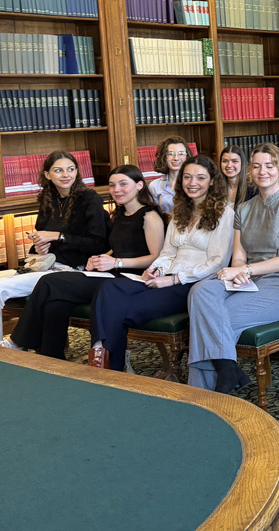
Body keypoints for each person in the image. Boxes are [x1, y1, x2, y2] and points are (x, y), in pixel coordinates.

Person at [88, 155, 234, 371]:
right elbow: (167, 252)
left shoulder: (224, 213)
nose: (192, 183)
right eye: (187, 177)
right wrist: (156, 269)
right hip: (165, 276)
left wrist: (175, 279)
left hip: (193, 284)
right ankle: (101, 351)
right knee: (109, 287)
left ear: (212, 181)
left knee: (122, 309)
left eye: (200, 178)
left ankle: (106, 364)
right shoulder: (180, 212)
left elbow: (217, 262)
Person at [3, 165, 162, 357]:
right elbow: (117, 247)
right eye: (112, 185)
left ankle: (18, 341)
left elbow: (155, 257)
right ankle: (51, 358)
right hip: (110, 273)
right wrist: (98, 259)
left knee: (49, 281)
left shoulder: (150, 216)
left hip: (132, 279)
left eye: (123, 184)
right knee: (56, 301)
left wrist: (116, 262)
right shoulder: (119, 215)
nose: (116, 190)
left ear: (139, 185)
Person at [186, 143, 279, 393]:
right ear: (249, 171)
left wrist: (246, 271)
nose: (263, 171)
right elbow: (239, 257)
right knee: (200, 291)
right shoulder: (243, 208)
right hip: (248, 278)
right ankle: (228, 371)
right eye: (256, 166)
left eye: (270, 165)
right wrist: (241, 272)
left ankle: (212, 387)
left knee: (213, 318)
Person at [0, 151, 108, 312]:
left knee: (2, 287)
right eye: (58, 170)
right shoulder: (48, 197)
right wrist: (39, 247)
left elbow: (99, 245)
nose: (66, 175)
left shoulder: (89, 199)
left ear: (77, 171)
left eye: (71, 169)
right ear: (47, 175)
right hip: (47, 265)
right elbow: (41, 240)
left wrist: (58, 236)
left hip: (74, 270)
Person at [147, 136, 189, 216]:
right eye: (171, 154)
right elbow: (152, 215)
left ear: (187, 156)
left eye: (181, 154)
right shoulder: (155, 186)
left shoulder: (193, 183)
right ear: (164, 157)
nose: (176, 158)